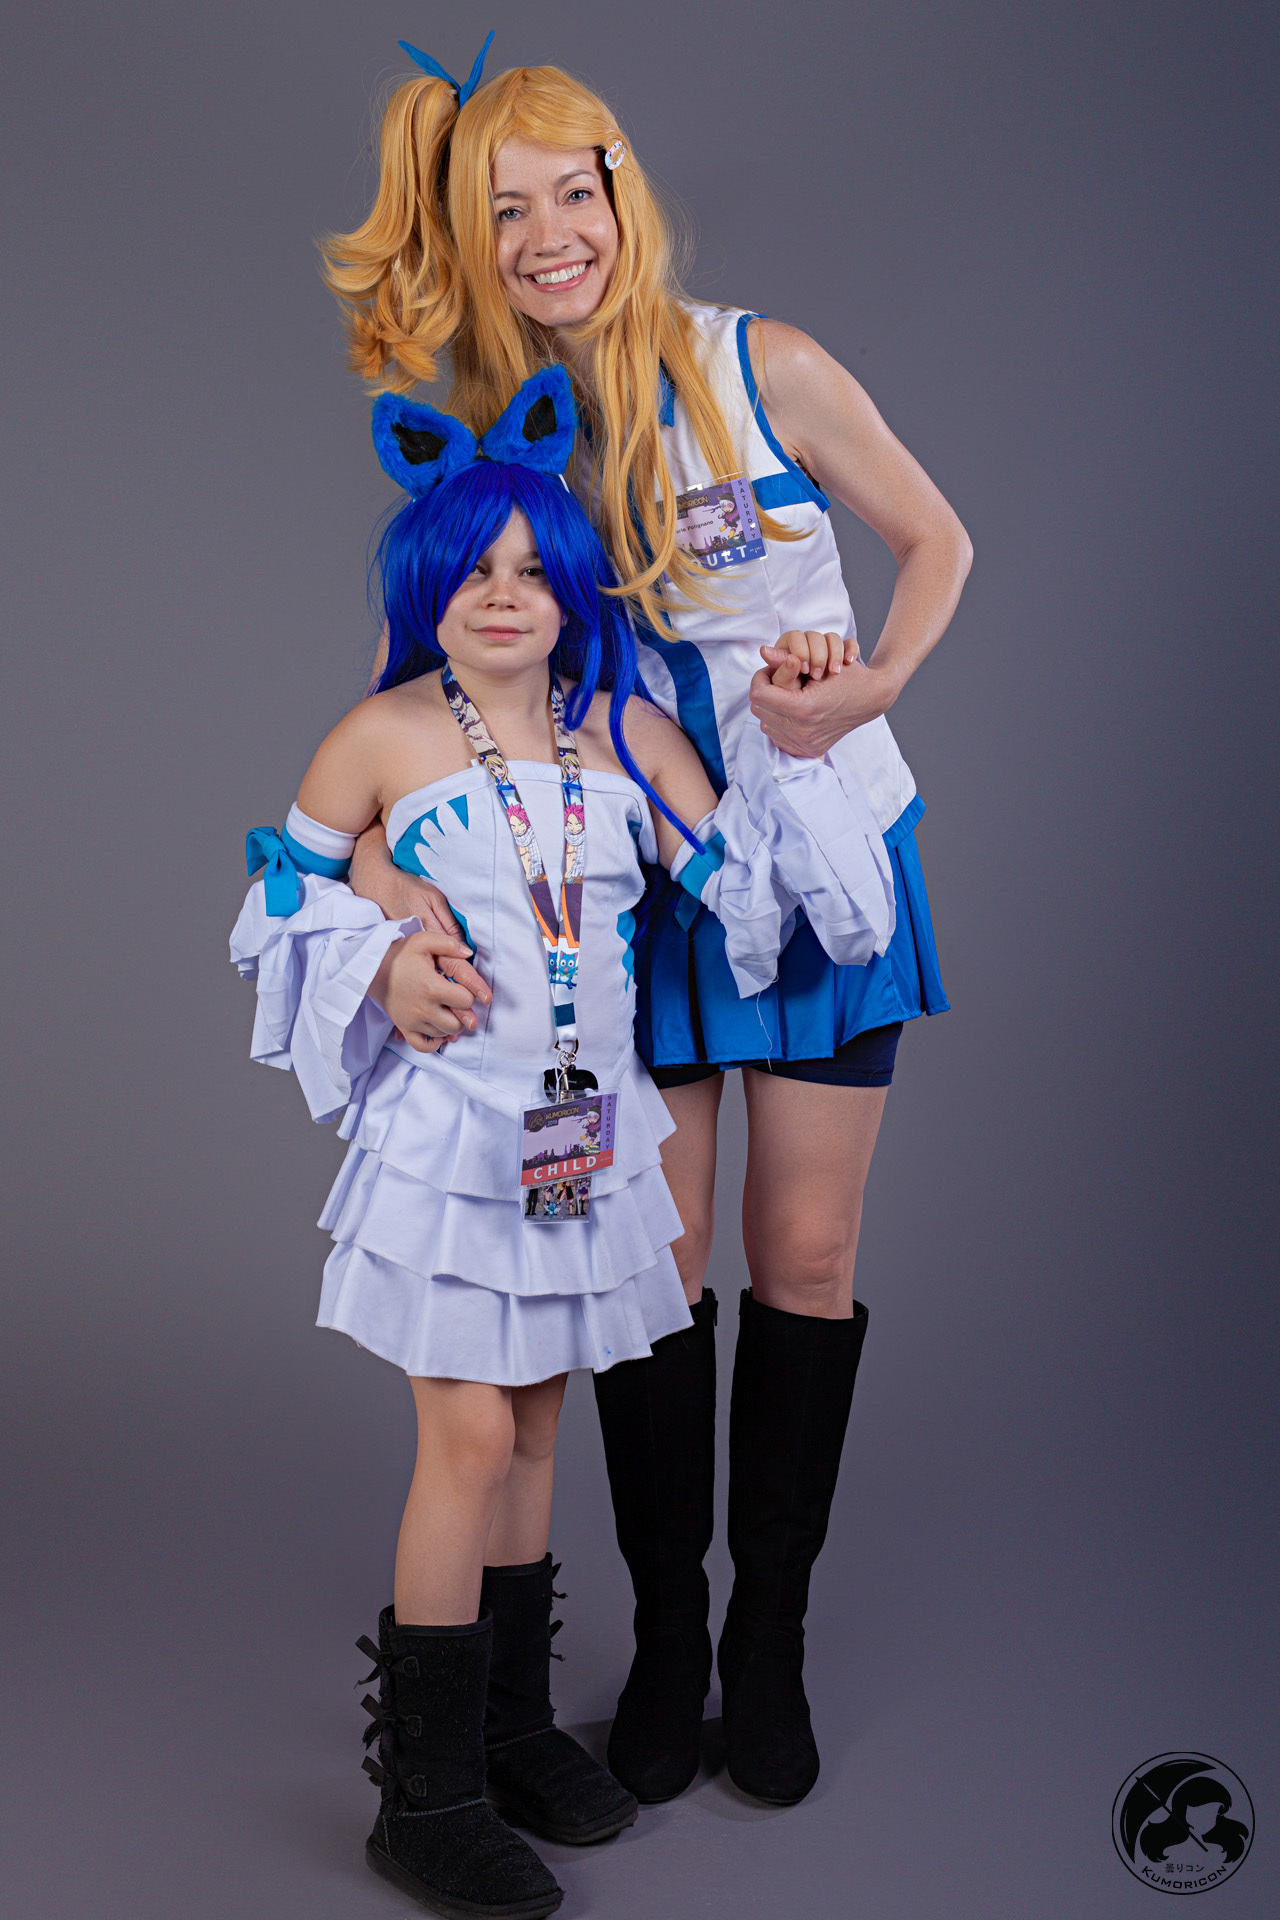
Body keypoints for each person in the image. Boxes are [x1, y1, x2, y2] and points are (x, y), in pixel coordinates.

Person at [320, 38, 973, 1809]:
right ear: (475, 240)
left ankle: (773, 1642)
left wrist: (873, 686)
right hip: (622, 901)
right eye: (504, 211)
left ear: (622, 187)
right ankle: (671, 1641)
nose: (551, 236)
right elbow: (402, 720)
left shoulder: (767, 365)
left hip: (819, 864)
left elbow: (938, 541)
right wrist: (381, 892)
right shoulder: (508, 448)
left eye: (572, 191)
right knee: (649, 1267)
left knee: (807, 1258)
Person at [230, 370, 883, 1916]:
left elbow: (742, 885)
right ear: (424, 586)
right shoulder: (378, 735)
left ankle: (513, 1729)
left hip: (578, 1138)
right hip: (454, 1143)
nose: (503, 595)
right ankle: (426, 1795)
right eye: (472, 570)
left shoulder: (625, 734)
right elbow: (275, 897)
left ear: (574, 586)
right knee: (466, 1440)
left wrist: (797, 735)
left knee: (532, 1430)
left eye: (532, 568)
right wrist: (383, 941)